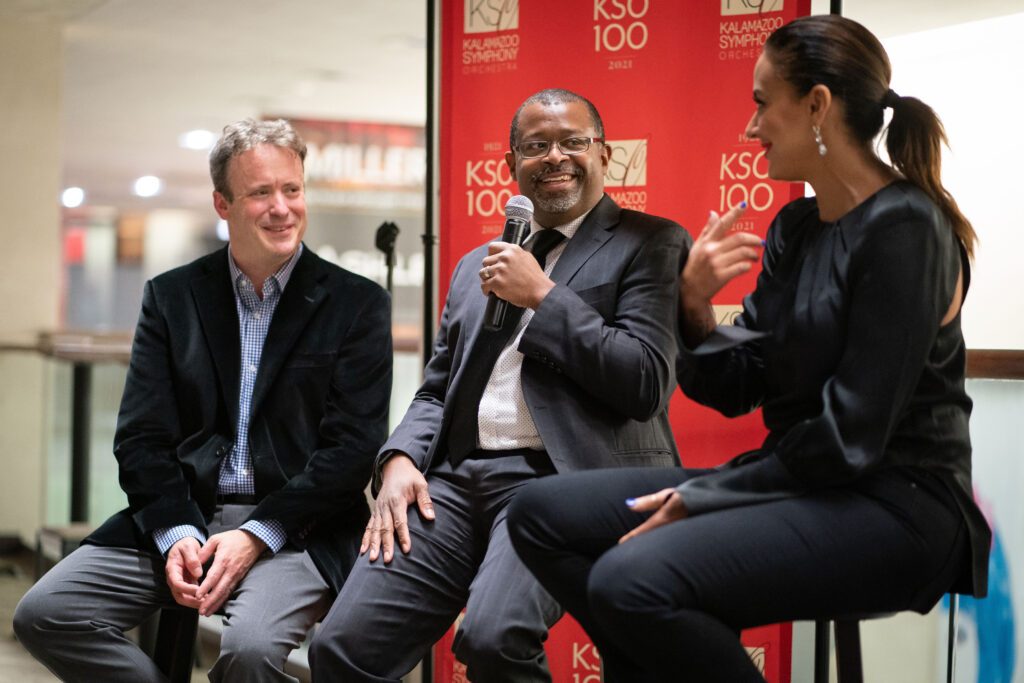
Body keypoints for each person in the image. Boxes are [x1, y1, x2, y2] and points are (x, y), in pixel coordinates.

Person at [507, 15, 991, 682]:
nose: (750, 127)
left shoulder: (907, 227)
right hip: (800, 481)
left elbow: (853, 435)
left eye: (763, 103)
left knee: (629, 580)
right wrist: (695, 303)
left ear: (817, 105)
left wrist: (711, 494)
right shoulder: (798, 225)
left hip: (897, 503)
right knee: (539, 514)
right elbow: (734, 386)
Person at [308, 88, 690, 682]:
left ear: (605, 155)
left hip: (563, 482)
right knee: (341, 646)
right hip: (453, 485)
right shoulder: (474, 267)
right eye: (536, 146)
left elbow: (643, 380)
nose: (555, 156)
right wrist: (402, 458)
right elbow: (437, 389)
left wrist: (543, 295)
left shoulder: (651, 243)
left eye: (572, 142)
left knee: (492, 639)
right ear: (510, 165)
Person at [14, 119, 393, 682]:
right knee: (47, 614)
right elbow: (141, 438)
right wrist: (177, 534)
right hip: (184, 517)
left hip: (296, 528)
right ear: (223, 203)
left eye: (291, 189)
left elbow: (351, 451)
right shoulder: (172, 298)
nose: (281, 207)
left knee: (248, 650)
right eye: (261, 192)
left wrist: (254, 535)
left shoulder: (357, 304)